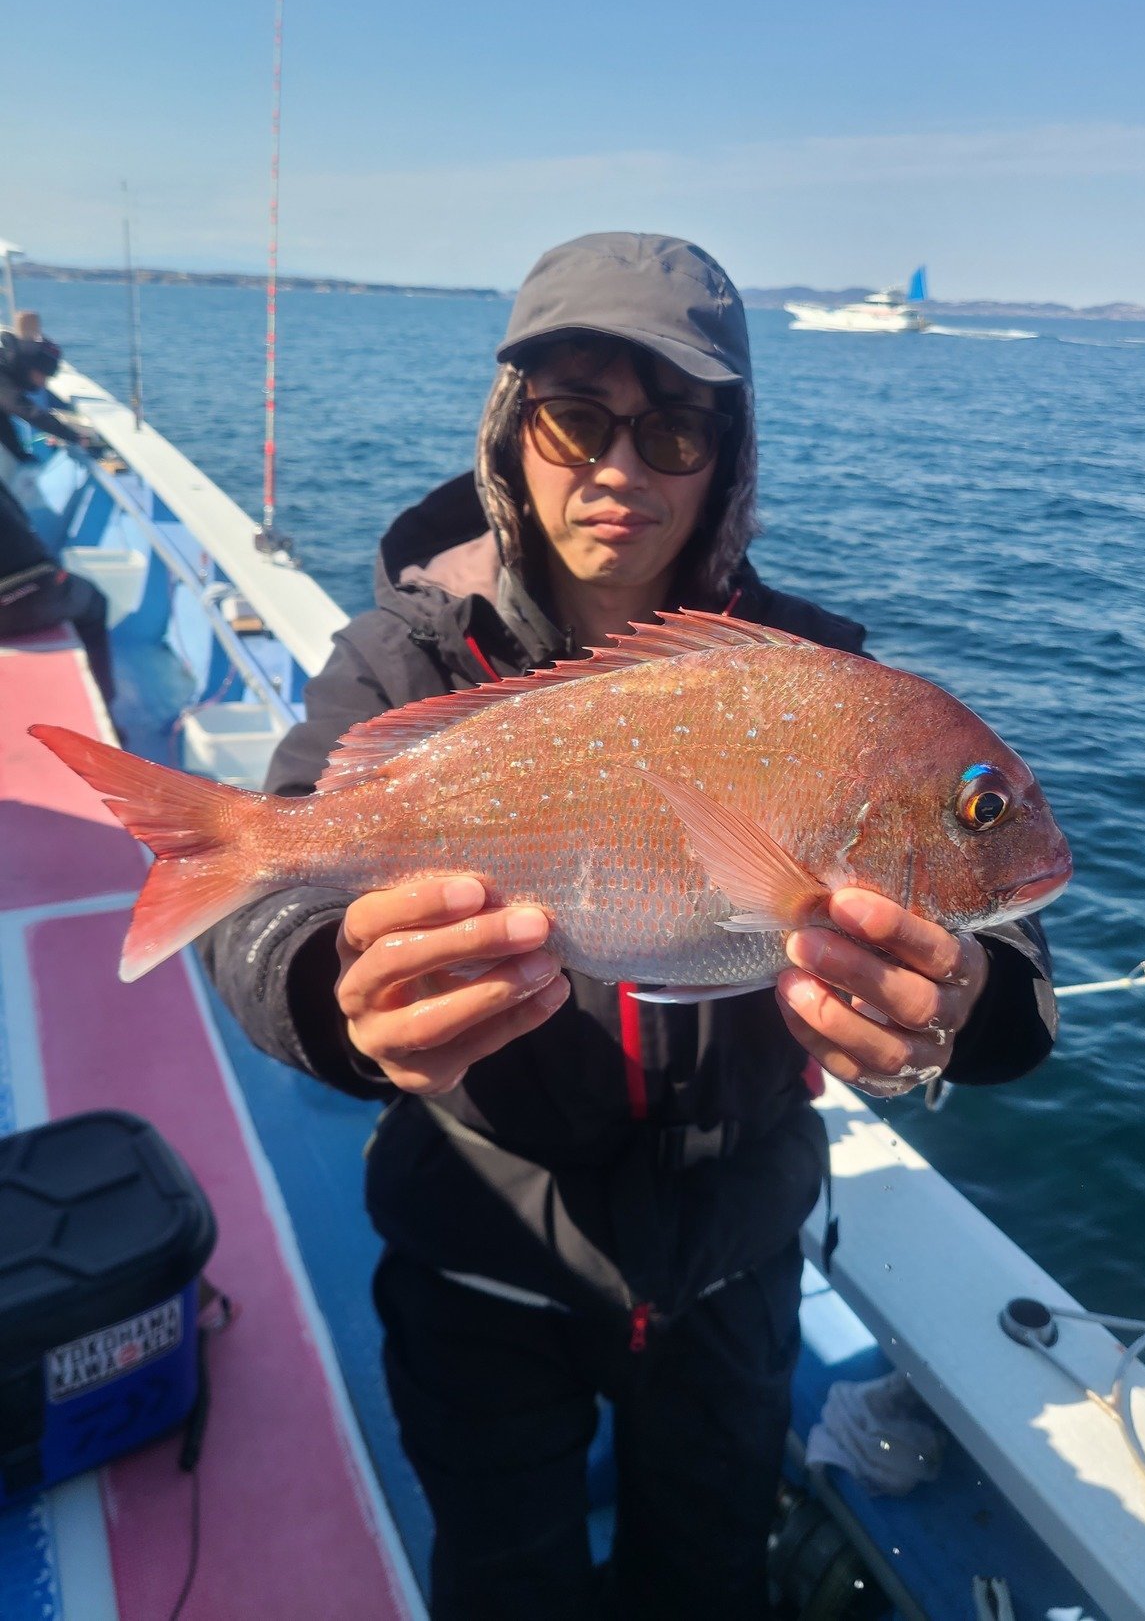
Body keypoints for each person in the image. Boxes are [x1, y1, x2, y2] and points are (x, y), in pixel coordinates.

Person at [201, 233, 1057, 1621]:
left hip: (732, 1257)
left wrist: (959, 1004)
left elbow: (1002, 944)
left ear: (726, 455)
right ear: (511, 430)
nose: (618, 468)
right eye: (574, 419)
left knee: (704, 1580)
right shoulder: (402, 656)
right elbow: (257, 903)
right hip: (480, 1244)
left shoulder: (825, 679)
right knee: (504, 1578)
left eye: (671, 431)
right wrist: (335, 993)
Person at [0, 322, 116, 706]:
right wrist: (77, 437)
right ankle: (108, 705)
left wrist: (21, 453)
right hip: (23, 594)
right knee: (93, 602)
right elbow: (21, 409)